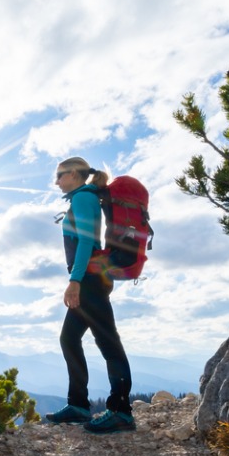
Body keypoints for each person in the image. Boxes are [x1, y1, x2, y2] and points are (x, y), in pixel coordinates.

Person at [44, 157, 136, 434]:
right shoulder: (82, 198)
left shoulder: (83, 197)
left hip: (90, 280)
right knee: (69, 338)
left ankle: (121, 412)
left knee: (107, 342)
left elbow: (86, 240)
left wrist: (75, 281)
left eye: (59, 176)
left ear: (73, 174)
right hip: (89, 278)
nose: (56, 181)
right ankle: (79, 405)